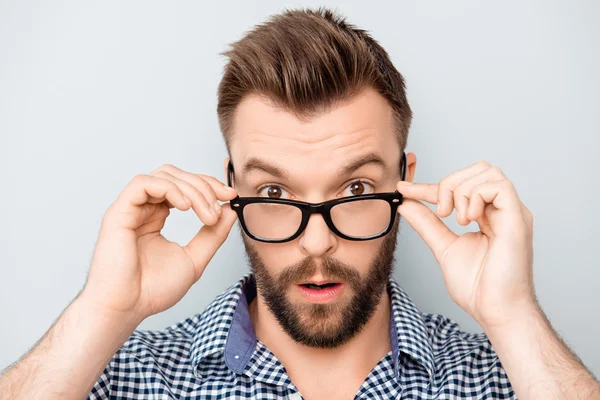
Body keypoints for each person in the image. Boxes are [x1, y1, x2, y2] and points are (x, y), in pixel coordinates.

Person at [1, 6, 598, 400]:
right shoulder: (123, 378)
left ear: (407, 183)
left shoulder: (502, 380)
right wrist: (104, 310)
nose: (317, 243)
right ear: (228, 188)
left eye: (357, 190)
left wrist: (514, 317)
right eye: (273, 193)